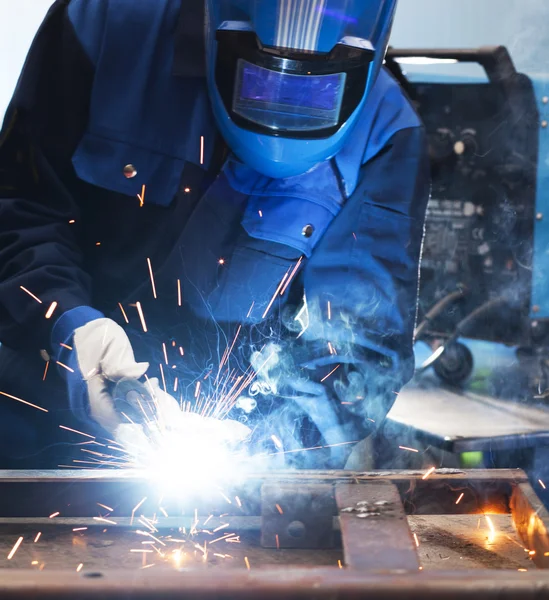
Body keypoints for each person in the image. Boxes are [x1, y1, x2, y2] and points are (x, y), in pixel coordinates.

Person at [0, 0, 430, 469]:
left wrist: (276, 443)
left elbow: (360, 347)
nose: (280, 102)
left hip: (229, 439)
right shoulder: (104, 24)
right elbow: (19, 206)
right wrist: (69, 322)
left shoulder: (386, 132)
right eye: (259, 76)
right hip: (37, 407)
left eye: (316, 87)